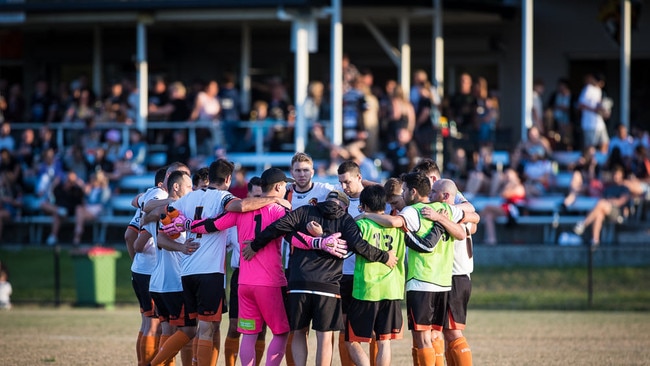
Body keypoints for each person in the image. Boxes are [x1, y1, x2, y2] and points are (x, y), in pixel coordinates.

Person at [242, 189, 398, 366]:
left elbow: (277, 227)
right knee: (324, 337)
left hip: (299, 283)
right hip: (328, 287)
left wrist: (256, 245)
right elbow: (359, 246)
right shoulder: (345, 219)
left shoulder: (305, 211)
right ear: (345, 206)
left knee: (299, 332)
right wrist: (385, 257)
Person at [185, 168, 295, 366]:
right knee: (281, 333)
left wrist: (186, 224)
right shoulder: (281, 210)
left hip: (244, 283)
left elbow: (211, 225)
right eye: (285, 186)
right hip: (269, 283)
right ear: (279, 187)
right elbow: (296, 238)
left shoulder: (240, 211)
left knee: (249, 335)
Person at [357, 172, 468, 366]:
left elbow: (393, 222)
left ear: (413, 192)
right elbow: (463, 231)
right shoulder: (445, 208)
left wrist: (367, 215)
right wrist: (441, 221)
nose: (403, 194)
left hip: (421, 281)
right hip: (443, 282)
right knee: (434, 336)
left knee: (423, 339)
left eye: (405, 190)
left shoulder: (412, 211)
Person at [131, 163, 190, 366]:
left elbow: (137, 204)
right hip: (162, 274)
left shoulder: (150, 197)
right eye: (186, 180)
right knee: (183, 329)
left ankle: (145, 363)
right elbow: (138, 240)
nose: (190, 186)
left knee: (155, 325)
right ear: (171, 181)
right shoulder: (164, 202)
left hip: (148, 274)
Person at [344, 185, 407, 366]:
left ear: (362, 206)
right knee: (384, 341)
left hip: (366, 288)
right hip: (392, 288)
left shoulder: (361, 224)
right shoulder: (397, 226)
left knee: (351, 340)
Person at [422, 179, 476, 366]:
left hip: (456, 277)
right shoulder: (460, 211)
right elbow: (474, 222)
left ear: (445, 195)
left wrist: (440, 218)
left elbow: (465, 229)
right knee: (441, 331)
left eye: (433, 191)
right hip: (445, 277)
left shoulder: (454, 212)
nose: (429, 195)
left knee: (453, 332)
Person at [147, 170, 198, 366]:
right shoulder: (172, 209)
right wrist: (182, 247)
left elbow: (145, 212)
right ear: (176, 187)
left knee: (168, 331)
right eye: (189, 186)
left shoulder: (164, 207)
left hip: (159, 282)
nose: (191, 190)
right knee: (189, 330)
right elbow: (161, 238)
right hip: (173, 283)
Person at [573, 165, 631, 246]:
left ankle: (584, 223)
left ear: (622, 175)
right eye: (614, 174)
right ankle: (595, 241)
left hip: (618, 213)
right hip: (606, 211)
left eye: (617, 174)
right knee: (599, 214)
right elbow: (602, 199)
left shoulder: (624, 188)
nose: (615, 176)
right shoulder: (608, 188)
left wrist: (609, 201)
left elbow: (621, 201)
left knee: (601, 203)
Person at [480, 168, 526, 245]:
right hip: (506, 208)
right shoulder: (508, 186)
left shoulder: (519, 186)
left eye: (509, 176)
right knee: (489, 216)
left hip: (514, 210)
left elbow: (505, 194)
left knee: (488, 207)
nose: (507, 178)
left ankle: (474, 221)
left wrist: (508, 185)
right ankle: (492, 239)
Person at [41, 171, 85, 245]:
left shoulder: (76, 191)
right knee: (43, 205)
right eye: (68, 180)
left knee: (58, 215)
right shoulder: (59, 188)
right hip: (56, 208)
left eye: (72, 181)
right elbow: (50, 197)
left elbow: (81, 204)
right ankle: (59, 210)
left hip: (67, 212)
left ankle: (53, 236)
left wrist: (81, 186)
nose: (69, 182)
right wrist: (54, 184)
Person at [72, 170, 111, 245]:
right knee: (79, 208)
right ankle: (78, 233)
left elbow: (103, 203)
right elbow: (85, 202)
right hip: (88, 209)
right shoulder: (91, 190)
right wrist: (85, 192)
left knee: (80, 212)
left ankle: (77, 235)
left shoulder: (105, 190)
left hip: (98, 211)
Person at [578, 73, 610, 153]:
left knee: (605, 142)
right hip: (589, 124)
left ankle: (600, 161)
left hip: (599, 123)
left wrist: (604, 111)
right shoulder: (588, 89)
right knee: (590, 146)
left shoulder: (599, 90)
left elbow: (598, 104)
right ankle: (589, 162)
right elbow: (580, 105)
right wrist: (594, 110)